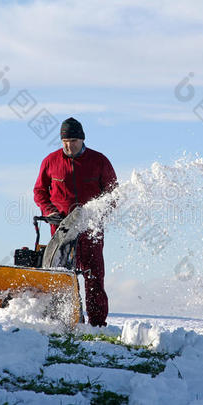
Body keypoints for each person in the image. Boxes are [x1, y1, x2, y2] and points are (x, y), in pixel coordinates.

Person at [33, 117, 117, 327]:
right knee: (61, 276)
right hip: (60, 230)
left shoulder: (99, 161)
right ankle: (65, 320)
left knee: (94, 274)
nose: (69, 145)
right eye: (65, 141)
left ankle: (97, 324)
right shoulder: (51, 161)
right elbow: (39, 191)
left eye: (73, 141)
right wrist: (49, 210)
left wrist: (100, 213)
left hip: (90, 228)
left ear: (82, 139)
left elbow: (113, 193)